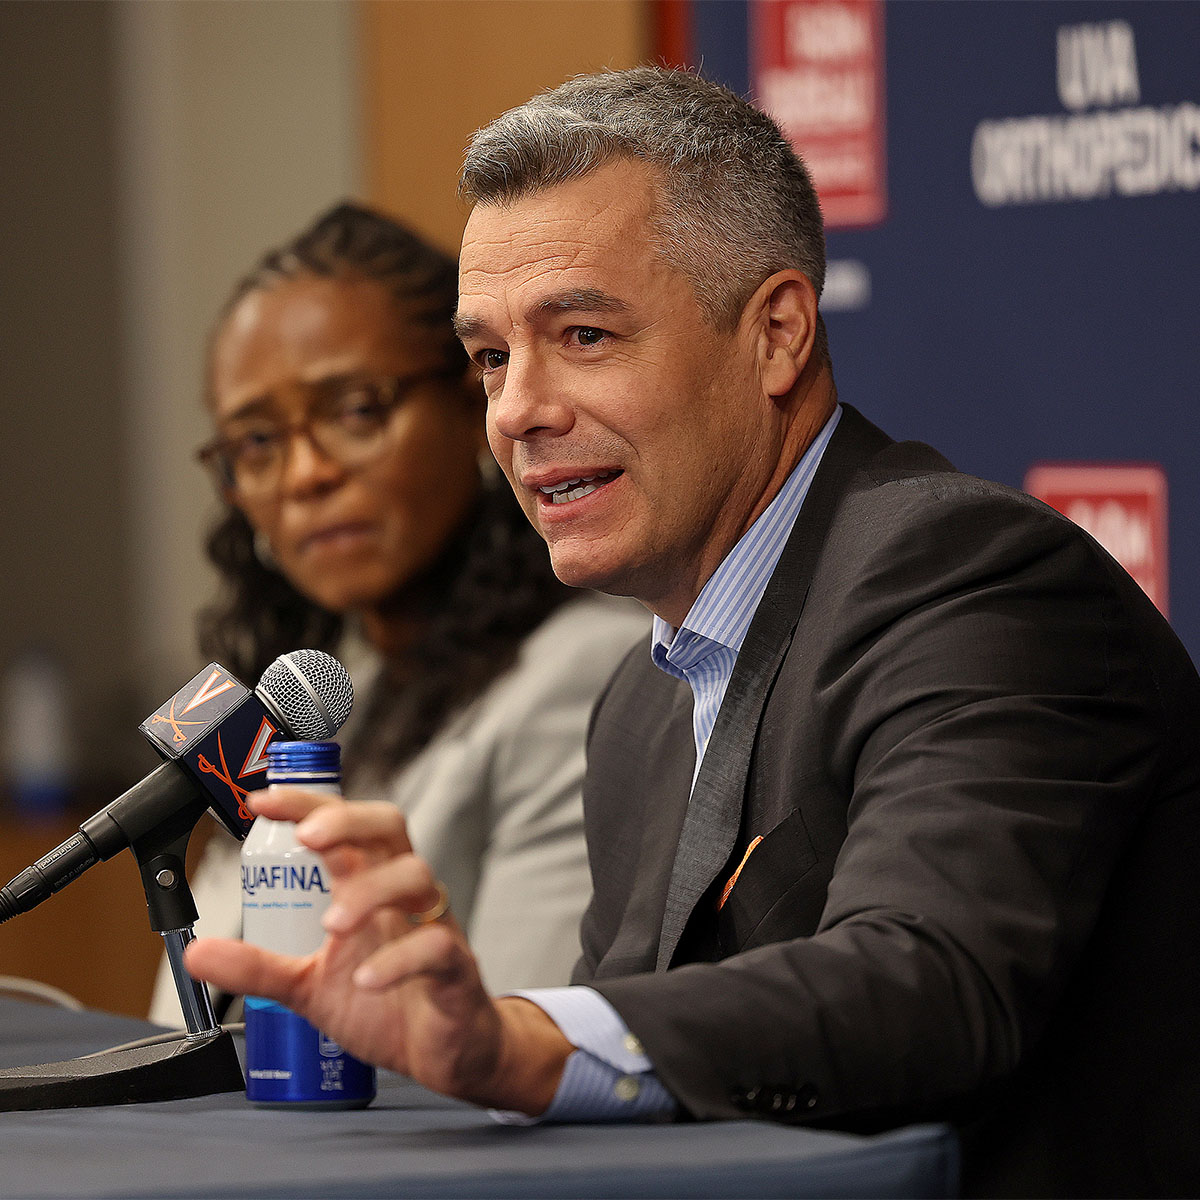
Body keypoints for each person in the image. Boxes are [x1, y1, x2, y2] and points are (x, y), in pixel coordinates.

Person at [186, 69, 1200, 1196]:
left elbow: (933, 979)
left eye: (582, 334)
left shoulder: (971, 580)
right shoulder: (639, 707)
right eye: (490, 358)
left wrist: (520, 1038)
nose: (518, 408)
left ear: (774, 336)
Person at [149, 203, 647, 1025]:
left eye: (355, 411)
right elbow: (181, 1021)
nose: (306, 474)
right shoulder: (321, 696)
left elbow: (520, 1039)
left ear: (471, 402)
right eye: (259, 443)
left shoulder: (585, 677)